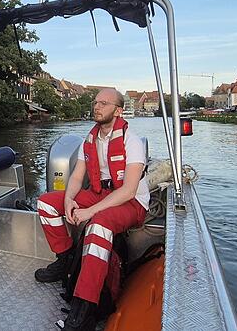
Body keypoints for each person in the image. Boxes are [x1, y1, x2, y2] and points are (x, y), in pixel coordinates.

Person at [34, 88, 148, 330]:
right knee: (46, 202)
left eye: (104, 103)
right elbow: (76, 177)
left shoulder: (132, 141)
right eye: (96, 102)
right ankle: (65, 260)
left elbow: (128, 191)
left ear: (118, 111)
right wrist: (68, 201)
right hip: (100, 193)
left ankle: (83, 309)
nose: (96, 106)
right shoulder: (90, 139)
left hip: (131, 202)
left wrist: (89, 211)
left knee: (98, 225)